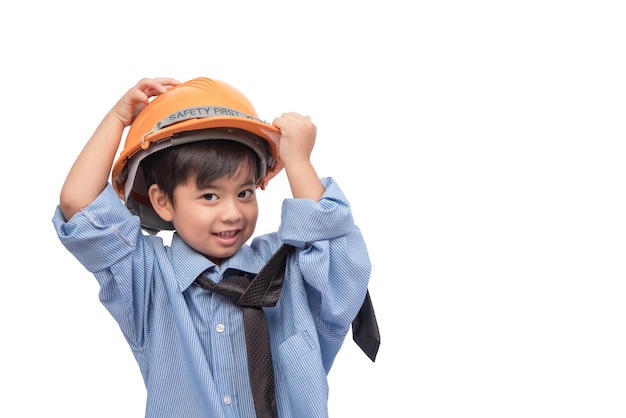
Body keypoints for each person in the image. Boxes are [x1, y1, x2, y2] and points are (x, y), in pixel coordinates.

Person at [52, 76, 378, 418]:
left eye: (245, 193)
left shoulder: (288, 270)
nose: (232, 213)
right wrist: (117, 119)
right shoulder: (148, 280)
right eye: (209, 196)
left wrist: (297, 160)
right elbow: (79, 204)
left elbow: (339, 256)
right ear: (163, 202)